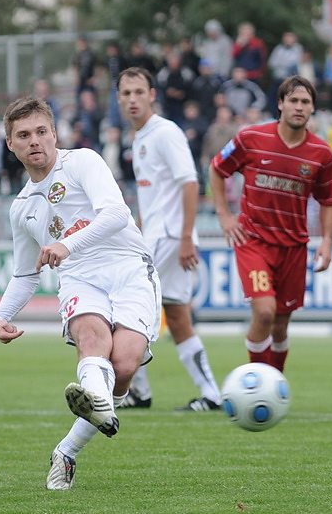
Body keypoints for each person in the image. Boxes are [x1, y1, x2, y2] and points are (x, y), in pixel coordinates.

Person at [0, 96, 161, 489]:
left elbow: (116, 214)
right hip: (80, 277)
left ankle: (66, 450)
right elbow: (25, 274)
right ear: (11, 144)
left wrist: (67, 244)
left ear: (54, 133)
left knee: (125, 365)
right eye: (23, 135)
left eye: (41, 131)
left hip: (129, 266)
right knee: (93, 340)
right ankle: (97, 401)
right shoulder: (22, 208)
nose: (35, 141)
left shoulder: (82, 162)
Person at [209, 75, 332, 372]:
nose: (299, 107)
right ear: (280, 104)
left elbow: (329, 200)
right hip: (254, 241)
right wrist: (224, 216)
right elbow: (217, 169)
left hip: (293, 247)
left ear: (313, 108)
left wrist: (327, 241)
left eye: (305, 102)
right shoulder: (251, 138)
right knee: (265, 311)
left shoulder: (321, 154)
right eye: (293, 100)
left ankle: (274, 382)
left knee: (280, 325)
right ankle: (258, 382)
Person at [117, 67, 222, 411]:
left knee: (124, 304)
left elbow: (190, 182)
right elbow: (153, 197)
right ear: (119, 99)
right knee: (176, 316)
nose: (132, 99)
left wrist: (187, 237)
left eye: (138, 92)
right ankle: (211, 394)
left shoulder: (165, 132)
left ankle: (138, 390)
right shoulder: (140, 138)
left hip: (169, 236)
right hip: (161, 235)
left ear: (152, 95)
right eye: (126, 93)